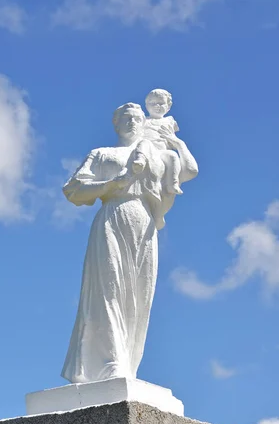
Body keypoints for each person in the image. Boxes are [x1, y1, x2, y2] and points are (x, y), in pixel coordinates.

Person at [61, 102, 198, 384]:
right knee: (109, 289)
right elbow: (73, 190)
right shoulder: (102, 154)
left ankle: (127, 361)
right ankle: (112, 360)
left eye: (137, 118)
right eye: (126, 118)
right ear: (116, 123)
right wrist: (111, 184)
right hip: (112, 215)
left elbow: (188, 170)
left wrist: (177, 143)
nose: (132, 122)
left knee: (138, 297)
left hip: (145, 223)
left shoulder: (156, 155)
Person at [144, 88, 183, 196]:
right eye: (153, 103)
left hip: (161, 151)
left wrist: (172, 140)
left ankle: (172, 183)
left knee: (173, 156)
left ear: (168, 106)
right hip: (144, 149)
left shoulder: (169, 121)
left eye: (161, 103)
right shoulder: (143, 120)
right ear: (147, 105)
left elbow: (172, 138)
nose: (157, 106)